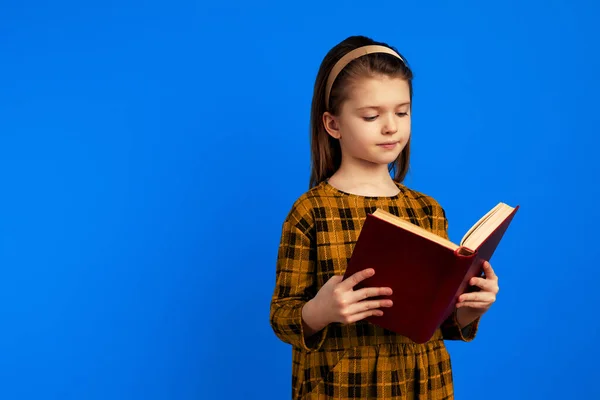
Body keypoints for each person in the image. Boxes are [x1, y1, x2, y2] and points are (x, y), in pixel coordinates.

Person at [269, 35, 500, 400]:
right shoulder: (311, 211)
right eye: (371, 116)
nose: (391, 127)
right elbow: (282, 316)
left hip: (424, 383)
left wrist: (472, 307)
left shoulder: (428, 210)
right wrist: (320, 310)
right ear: (333, 124)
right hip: (340, 385)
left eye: (402, 112)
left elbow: (439, 324)